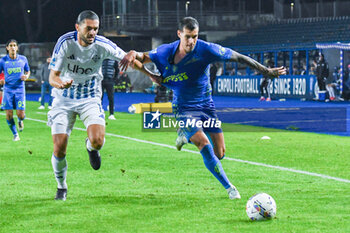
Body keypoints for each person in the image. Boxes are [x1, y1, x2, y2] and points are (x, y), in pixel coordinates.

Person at [121, 17, 286, 200]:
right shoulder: (165, 51)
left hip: (207, 105)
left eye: (195, 36)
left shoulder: (207, 49)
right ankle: (229, 188)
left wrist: (265, 71)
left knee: (220, 153)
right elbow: (141, 58)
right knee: (204, 144)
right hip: (183, 107)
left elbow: (238, 56)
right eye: (188, 37)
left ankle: (185, 136)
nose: (191, 41)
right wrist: (141, 63)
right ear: (179, 34)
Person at [48, 10, 157, 201]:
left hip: (90, 98)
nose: (92, 32)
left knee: (98, 141)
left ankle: (90, 148)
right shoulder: (65, 43)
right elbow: (52, 77)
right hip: (63, 99)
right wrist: (60, 83)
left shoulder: (103, 44)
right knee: (59, 148)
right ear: (77, 27)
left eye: (95, 29)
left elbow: (130, 60)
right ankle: (61, 186)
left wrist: (152, 76)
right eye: (88, 28)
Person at [0, 39, 30, 141]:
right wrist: (1, 79)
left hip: (20, 90)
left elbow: (27, 70)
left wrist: (26, 76)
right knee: (8, 114)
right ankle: (15, 134)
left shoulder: (23, 59)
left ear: (17, 48)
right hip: (8, 90)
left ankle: (20, 120)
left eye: (14, 45)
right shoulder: (3, 61)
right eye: (11, 45)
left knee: (20, 114)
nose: (13, 47)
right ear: (7, 48)